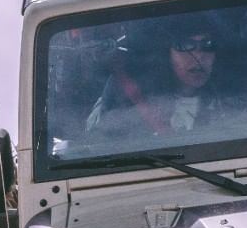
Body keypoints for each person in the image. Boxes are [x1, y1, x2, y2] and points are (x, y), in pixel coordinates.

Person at [85, 16, 223, 139]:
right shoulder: (126, 99)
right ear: (165, 54)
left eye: (208, 45)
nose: (199, 55)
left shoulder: (231, 102)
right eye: (184, 46)